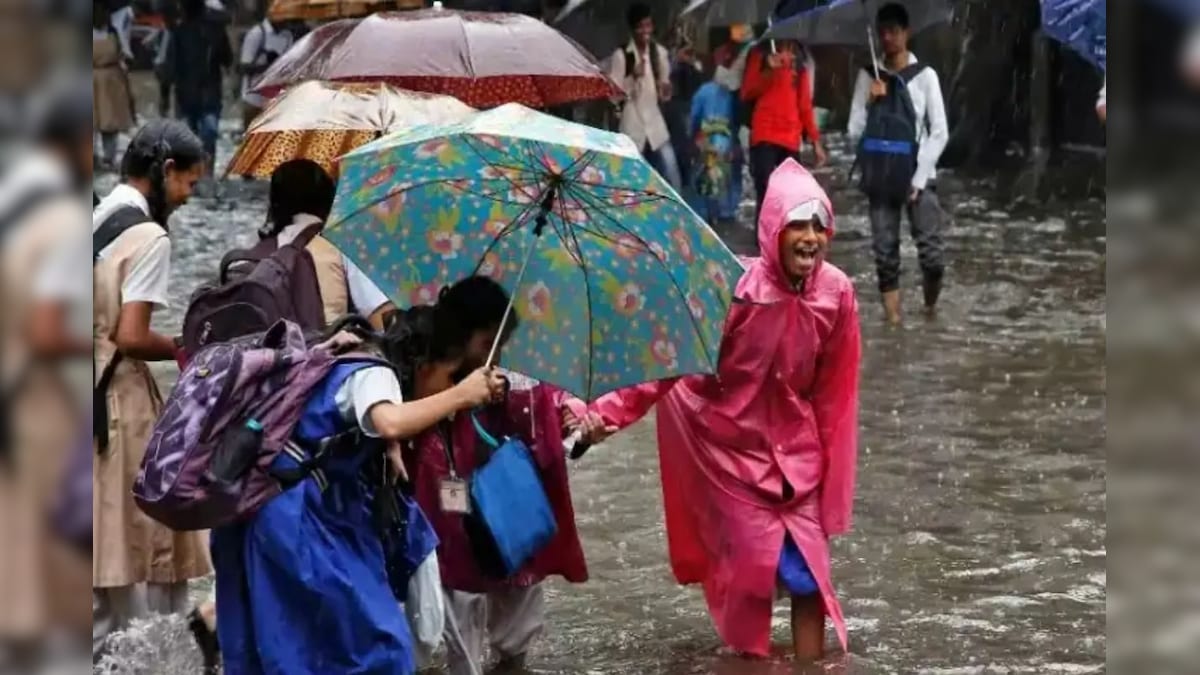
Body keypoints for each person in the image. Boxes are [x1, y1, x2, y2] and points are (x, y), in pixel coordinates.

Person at [567, 159, 861, 662]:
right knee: (751, 583)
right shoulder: (730, 289)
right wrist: (603, 418)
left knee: (811, 579)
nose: (811, 238)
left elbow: (837, 397)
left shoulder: (837, 295)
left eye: (819, 225)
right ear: (772, 228)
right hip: (728, 450)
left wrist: (833, 491)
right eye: (798, 224)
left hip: (797, 458)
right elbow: (666, 363)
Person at [210, 295, 509, 674]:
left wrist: (391, 444)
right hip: (296, 519)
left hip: (269, 507)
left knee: (293, 647)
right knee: (375, 650)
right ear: (424, 361)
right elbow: (389, 420)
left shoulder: (357, 353)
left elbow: (365, 423)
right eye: (449, 375)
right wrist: (462, 394)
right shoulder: (375, 371)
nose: (447, 387)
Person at [402, 277, 592, 675]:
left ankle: (512, 663)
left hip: (512, 507)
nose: (496, 352)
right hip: (451, 511)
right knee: (459, 600)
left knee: (518, 597)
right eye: (488, 342)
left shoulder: (521, 374)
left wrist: (571, 418)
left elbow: (549, 418)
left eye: (501, 342)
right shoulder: (430, 370)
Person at [92, 120, 212, 659]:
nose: (188, 197)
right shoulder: (149, 237)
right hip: (117, 401)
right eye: (188, 183)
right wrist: (189, 348)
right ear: (165, 172)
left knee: (98, 542)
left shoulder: (94, 215)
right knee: (144, 545)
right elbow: (131, 335)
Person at [0, 81, 94, 669]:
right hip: (39, 392)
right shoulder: (63, 220)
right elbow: (46, 329)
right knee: (45, 528)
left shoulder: (16, 202)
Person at [847, 2, 949, 325]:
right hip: (880, 174)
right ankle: (894, 323)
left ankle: (930, 309)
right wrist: (870, 101)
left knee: (932, 256)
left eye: (893, 31)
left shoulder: (926, 77)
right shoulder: (869, 77)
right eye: (883, 32)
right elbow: (852, 133)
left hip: (919, 176)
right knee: (885, 254)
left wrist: (919, 180)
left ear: (906, 33)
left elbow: (940, 132)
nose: (887, 38)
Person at [256, 159, 397, 330]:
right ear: (329, 198)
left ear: (274, 203)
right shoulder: (343, 245)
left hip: (273, 352)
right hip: (330, 349)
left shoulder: (258, 253)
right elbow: (380, 316)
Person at [742, 39, 827, 223]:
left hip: (790, 138)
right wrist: (768, 71)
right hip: (764, 134)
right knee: (765, 193)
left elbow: (804, 105)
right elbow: (747, 92)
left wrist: (815, 142)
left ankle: (785, 242)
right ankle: (764, 244)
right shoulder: (760, 54)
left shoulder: (799, 60)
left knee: (791, 196)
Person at [607, 3, 683, 190]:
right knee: (630, 178)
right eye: (641, 26)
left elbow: (664, 92)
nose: (645, 31)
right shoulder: (622, 55)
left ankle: (676, 214)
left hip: (655, 123)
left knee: (671, 173)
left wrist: (665, 90)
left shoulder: (659, 53)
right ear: (633, 29)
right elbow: (613, 95)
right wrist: (633, 76)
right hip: (632, 125)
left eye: (648, 25)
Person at [161, 0, 232, 169]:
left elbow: (227, 59)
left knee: (203, 135)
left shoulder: (213, 32)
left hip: (201, 94)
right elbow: (170, 66)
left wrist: (164, 97)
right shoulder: (179, 32)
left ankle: (204, 174)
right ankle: (202, 174)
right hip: (191, 95)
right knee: (201, 136)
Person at [689, 49, 741, 224]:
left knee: (705, 176)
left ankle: (706, 213)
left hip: (706, 139)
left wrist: (694, 137)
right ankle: (725, 212)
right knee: (725, 177)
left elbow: (694, 117)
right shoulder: (734, 94)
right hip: (725, 139)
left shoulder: (703, 91)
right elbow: (736, 121)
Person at [92, 1, 136, 170]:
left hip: (111, 80)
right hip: (97, 78)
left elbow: (124, 54)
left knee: (110, 122)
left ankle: (108, 157)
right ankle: (93, 157)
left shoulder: (114, 31)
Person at [239, 13, 294, 132]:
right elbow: (245, 67)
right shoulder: (257, 33)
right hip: (253, 99)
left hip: (275, 100)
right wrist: (271, 66)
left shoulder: (287, 36)